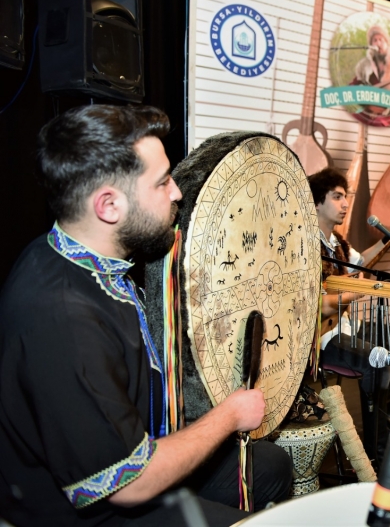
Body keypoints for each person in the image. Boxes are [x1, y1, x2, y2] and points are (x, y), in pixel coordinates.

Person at [0, 105, 291, 527]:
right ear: (109, 206)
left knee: (270, 465)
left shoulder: (71, 253)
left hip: (134, 448)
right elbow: (128, 484)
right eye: (162, 182)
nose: (176, 193)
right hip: (87, 511)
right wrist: (229, 414)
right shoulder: (64, 322)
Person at [308, 167, 390, 458]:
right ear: (317, 202)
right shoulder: (305, 246)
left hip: (345, 327)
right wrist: (364, 289)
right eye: (337, 197)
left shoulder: (337, 243)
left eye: (345, 197)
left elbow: (360, 264)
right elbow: (321, 304)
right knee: (378, 363)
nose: (345, 204)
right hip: (321, 340)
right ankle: (379, 449)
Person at [351, 24, 390, 126]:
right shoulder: (365, 66)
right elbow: (353, 87)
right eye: (375, 40)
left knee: (379, 123)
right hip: (368, 112)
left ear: (387, 43)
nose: (378, 43)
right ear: (371, 44)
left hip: (387, 115)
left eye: (381, 39)